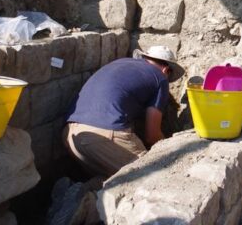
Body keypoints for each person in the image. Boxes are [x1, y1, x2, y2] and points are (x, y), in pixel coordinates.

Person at [63, 45, 185, 178]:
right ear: (166, 69)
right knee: (153, 176)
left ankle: (80, 196)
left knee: (114, 183)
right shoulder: (160, 78)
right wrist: (170, 150)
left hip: (70, 135)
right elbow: (152, 136)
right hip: (103, 138)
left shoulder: (120, 63)